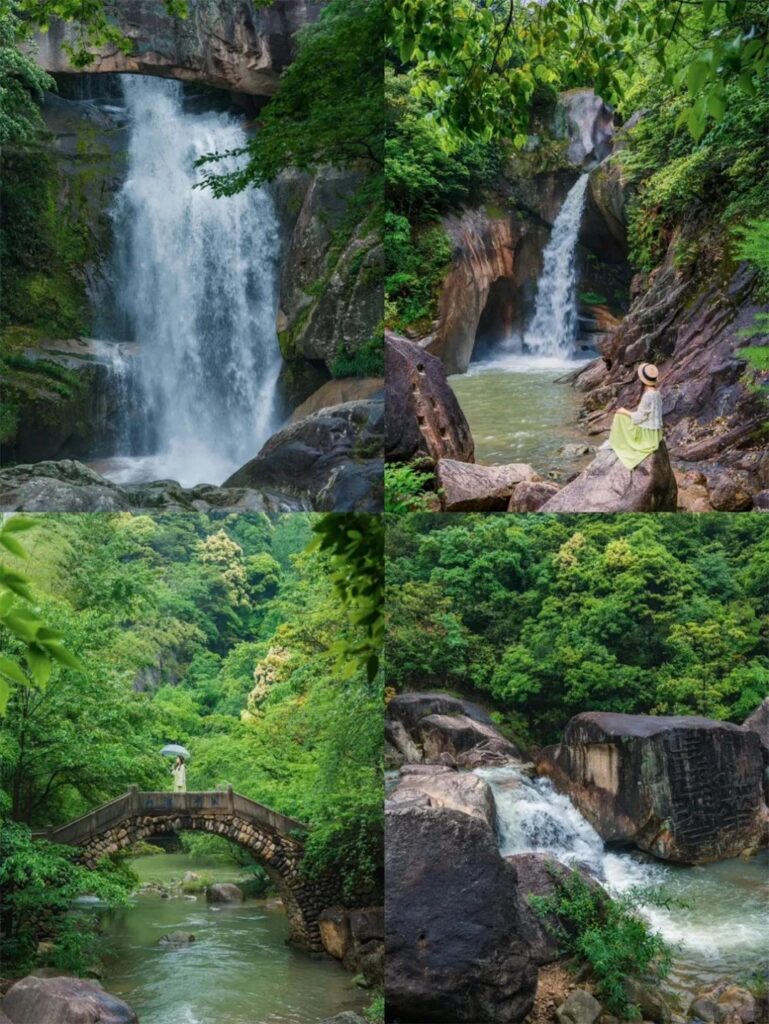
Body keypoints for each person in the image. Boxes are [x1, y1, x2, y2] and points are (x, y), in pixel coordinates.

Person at [608, 362, 664, 470]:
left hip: (647, 436)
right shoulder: (657, 393)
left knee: (619, 415)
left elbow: (639, 418)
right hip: (656, 433)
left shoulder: (648, 395)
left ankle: (616, 442)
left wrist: (625, 411)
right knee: (623, 414)